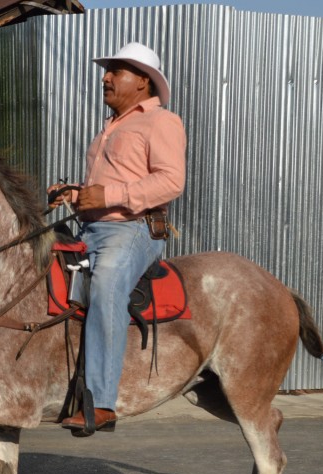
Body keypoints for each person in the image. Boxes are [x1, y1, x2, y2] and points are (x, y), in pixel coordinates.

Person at [51, 42, 187, 436]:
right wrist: (75, 194)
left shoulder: (162, 121)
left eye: (116, 71)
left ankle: (102, 402)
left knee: (107, 284)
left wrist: (107, 196)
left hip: (134, 230)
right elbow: (106, 186)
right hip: (89, 228)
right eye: (107, 70)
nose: (105, 77)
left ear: (143, 81)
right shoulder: (111, 125)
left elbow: (171, 181)